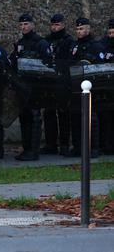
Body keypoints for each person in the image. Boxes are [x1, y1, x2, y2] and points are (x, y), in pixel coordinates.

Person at [10, 13, 51, 161]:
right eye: (21, 25)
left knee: (34, 118)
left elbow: (48, 64)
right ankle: (26, 149)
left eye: (26, 24)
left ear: (32, 25)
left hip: (36, 87)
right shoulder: (20, 43)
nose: (23, 27)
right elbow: (13, 62)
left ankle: (33, 151)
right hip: (22, 87)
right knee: (24, 118)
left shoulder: (41, 43)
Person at [69, 17, 105, 156]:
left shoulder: (96, 46)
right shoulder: (74, 46)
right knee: (75, 117)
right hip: (75, 87)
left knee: (92, 118)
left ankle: (94, 148)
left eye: (81, 28)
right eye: (77, 29)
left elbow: (100, 67)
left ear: (88, 29)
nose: (79, 31)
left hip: (92, 87)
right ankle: (78, 147)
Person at [42, 13, 73, 156]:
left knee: (63, 113)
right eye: (53, 25)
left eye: (57, 25)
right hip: (49, 81)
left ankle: (64, 144)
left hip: (63, 81)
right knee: (48, 113)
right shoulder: (47, 40)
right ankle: (51, 144)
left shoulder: (68, 41)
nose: (54, 28)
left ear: (63, 25)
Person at [99, 18, 114, 155]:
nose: (111, 36)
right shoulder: (103, 44)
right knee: (106, 117)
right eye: (110, 33)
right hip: (107, 87)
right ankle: (106, 145)